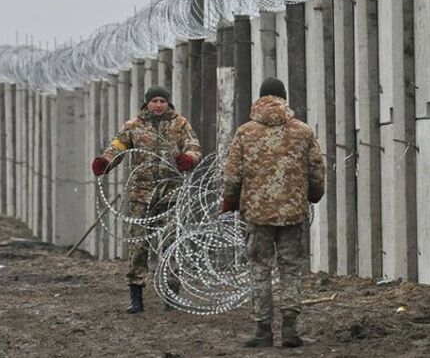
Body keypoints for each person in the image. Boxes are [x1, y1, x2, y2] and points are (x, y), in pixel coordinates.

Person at [221, 77, 325, 348]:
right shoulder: (303, 131)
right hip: (292, 213)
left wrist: (230, 200)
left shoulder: (245, 132)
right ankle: (290, 328)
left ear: (260, 98)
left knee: (260, 269)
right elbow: (316, 169)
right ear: (284, 97)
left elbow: (233, 174)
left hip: (258, 214)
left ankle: (262, 329)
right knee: (290, 269)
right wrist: (313, 195)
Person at [91, 85, 202, 314]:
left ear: (168, 103)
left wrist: (189, 158)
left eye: (162, 101)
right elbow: (118, 147)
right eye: (154, 101)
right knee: (138, 245)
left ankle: (172, 294)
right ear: (147, 103)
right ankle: (136, 295)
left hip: (171, 194)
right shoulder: (134, 126)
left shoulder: (180, 124)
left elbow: (193, 146)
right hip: (142, 195)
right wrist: (106, 162)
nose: (158, 105)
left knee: (171, 244)